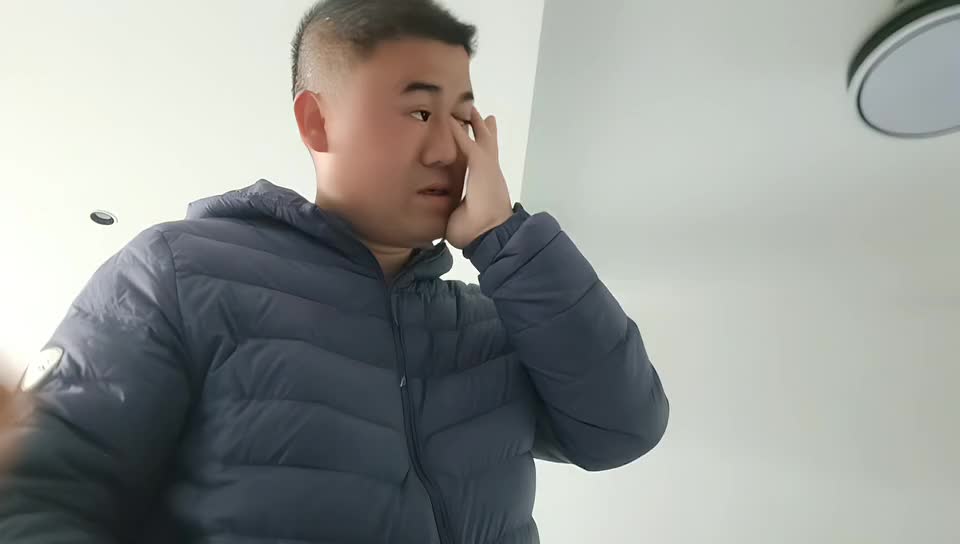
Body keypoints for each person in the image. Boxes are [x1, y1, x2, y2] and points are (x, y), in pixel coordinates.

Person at [0, 0, 669, 542]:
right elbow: (36, 499)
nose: (449, 148)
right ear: (317, 122)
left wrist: (507, 239)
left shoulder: (491, 323)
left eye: (463, 118)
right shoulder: (180, 273)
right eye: (419, 111)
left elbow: (622, 428)